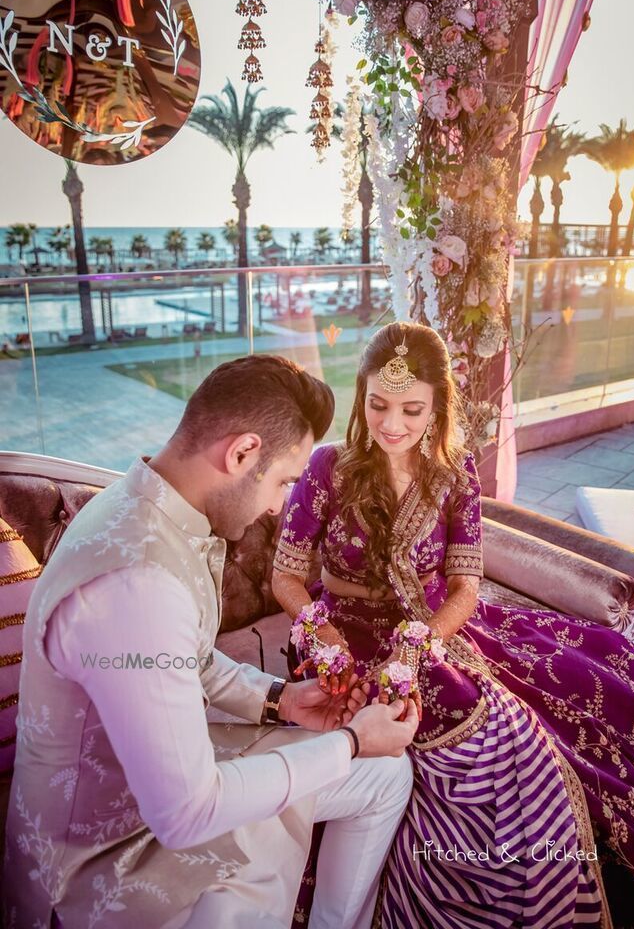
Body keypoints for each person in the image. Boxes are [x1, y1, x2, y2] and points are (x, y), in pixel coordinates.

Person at [272, 321, 634, 929]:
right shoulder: (329, 467)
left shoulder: (453, 472)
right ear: (360, 397)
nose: (392, 424)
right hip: (340, 639)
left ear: (438, 408)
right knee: (457, 723)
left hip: (432, 632)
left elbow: (464, 588)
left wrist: (420, 642)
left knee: (592, 687)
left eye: (412, 409)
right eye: (378, 404)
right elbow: (284, 577)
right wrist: (320, 633)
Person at [3, 355, 418, 929]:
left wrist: (281, 700)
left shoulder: (150, 507)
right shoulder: (136, 584)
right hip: (101, 857)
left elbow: (189, 657)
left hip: (164, 777)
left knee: (387, 773)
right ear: (242, 452)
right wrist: (349, 740)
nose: (278, 505)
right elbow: (186, 813)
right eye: (282, 481)